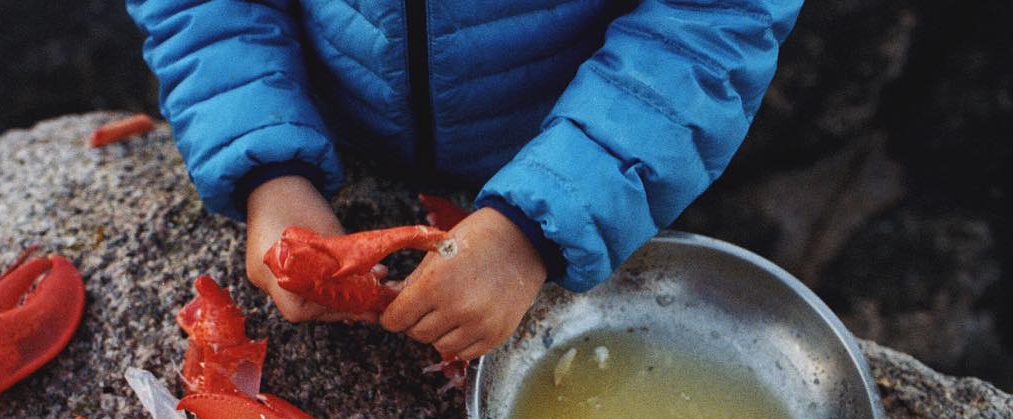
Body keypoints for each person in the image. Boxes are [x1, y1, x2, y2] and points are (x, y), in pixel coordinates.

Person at [127, 0, 803, 360]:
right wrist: (267, 164)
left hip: (575, 134)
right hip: (335, 124)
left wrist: (541, 224)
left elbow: (715, 21)